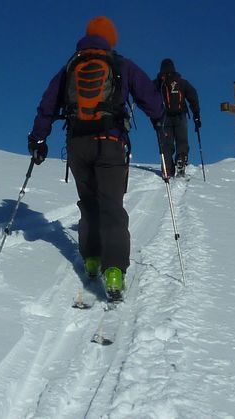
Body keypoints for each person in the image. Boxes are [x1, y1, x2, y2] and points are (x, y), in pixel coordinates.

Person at [27, 16, 164, 301]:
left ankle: (91, 260)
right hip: (110, 142)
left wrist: (39, 138)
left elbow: (47, 104)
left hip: (77, 144)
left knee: (88, 203)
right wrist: (160, 119)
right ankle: (113, 270)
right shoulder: (121, 64)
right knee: (111, 207)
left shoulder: (70, 67)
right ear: (110, 39)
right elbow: (149, 97)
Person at [153, 58, 200, 178]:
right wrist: (196, 115)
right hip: (181, 116)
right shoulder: (181, 82)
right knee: (182, 140)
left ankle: (167, 167)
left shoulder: (158, 83)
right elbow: (193, 95)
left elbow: (148, 95)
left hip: (164, 118)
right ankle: (181, 160)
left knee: (166, 143)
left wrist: (154, 118)